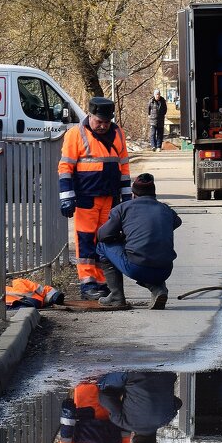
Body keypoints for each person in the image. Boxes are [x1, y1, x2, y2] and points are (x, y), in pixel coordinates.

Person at [58, 97, 132, 300]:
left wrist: (127, 196)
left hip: (110, 197)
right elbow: (65, 167)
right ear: (90, 116)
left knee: (105, 240)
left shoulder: (117, 133)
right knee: (85, 240)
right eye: (99, 122)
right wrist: (66, 196)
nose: (103, 126)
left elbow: (124, 167)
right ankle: (87, 283)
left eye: (106, 122)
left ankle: (102, 282)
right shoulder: (75, 134)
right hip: (85, 197)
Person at [95, 173, 182, 309]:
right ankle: (158, 288)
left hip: (138, 268)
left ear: (133, 194)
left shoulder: (123, 208)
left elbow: (102, 235)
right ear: (154, 194)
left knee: (102, 246)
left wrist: (123, 236)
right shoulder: (165, 209)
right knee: (145, 257)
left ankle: (116, 296)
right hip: (165, 269)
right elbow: (177, 222)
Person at [97, 371, 182, 443]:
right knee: (102, 384)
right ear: (135, 439)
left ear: (154, 439)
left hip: (165, 372)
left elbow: (179, 403)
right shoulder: (124, 422)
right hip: (135, 372)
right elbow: (104, 397)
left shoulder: (168, 418)